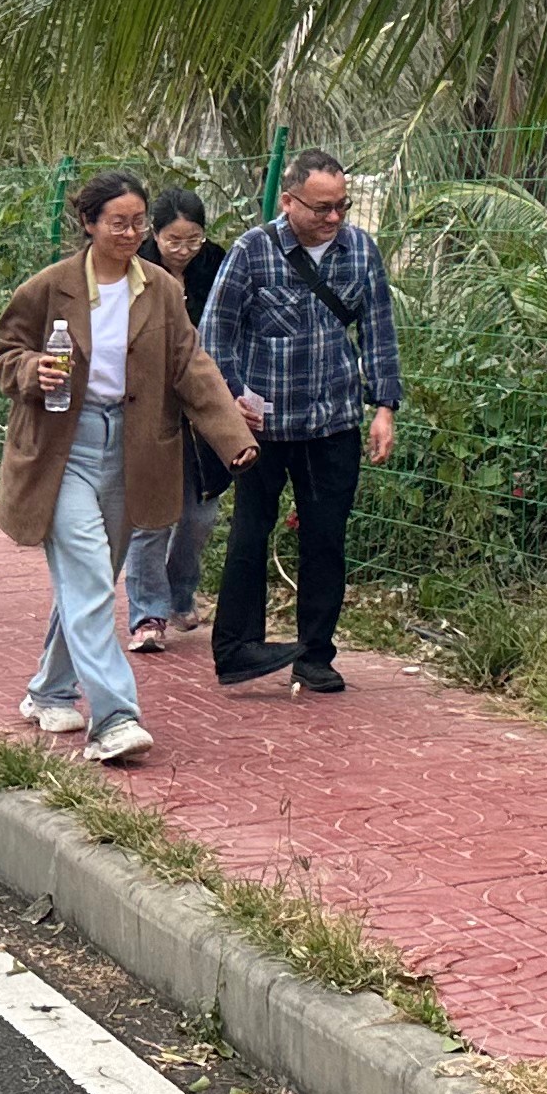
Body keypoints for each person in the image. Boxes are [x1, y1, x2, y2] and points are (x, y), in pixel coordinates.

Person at [0, 171, 257, 763]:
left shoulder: (160, 288)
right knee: (86, 576)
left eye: (139, 222)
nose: (132, 232)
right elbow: (5, 355)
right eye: (119, 222)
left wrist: (229, 438)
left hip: (133, 448)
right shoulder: (49, 287)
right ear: (89, 223)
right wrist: (34, 371)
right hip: (62, 447)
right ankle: (115, 717)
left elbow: (190, 363)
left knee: (91, 580)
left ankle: (50, 688)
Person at [198, 150, 401, 694]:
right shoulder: (252, 252)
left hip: (333, 423)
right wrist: (232, 397)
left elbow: (378, 332)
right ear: (289, 201)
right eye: (321, 208)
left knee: (326, 539)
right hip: (262, 427)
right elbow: (215, 334)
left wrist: (384, 407)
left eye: (342, 207)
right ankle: (238, 648)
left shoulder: (360, 251)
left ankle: (316, 654)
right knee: (249, 534)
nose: (334, 218)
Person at [121, 186, 230, 648]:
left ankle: (180, 592)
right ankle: (147, 613)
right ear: (155, 235)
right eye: (174, 242)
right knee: (151, 517)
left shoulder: (220, 263)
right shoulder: (133, 267)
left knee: (199, 516)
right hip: (149, 406)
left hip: (204, 405)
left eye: (194, 241)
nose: (184, 251)